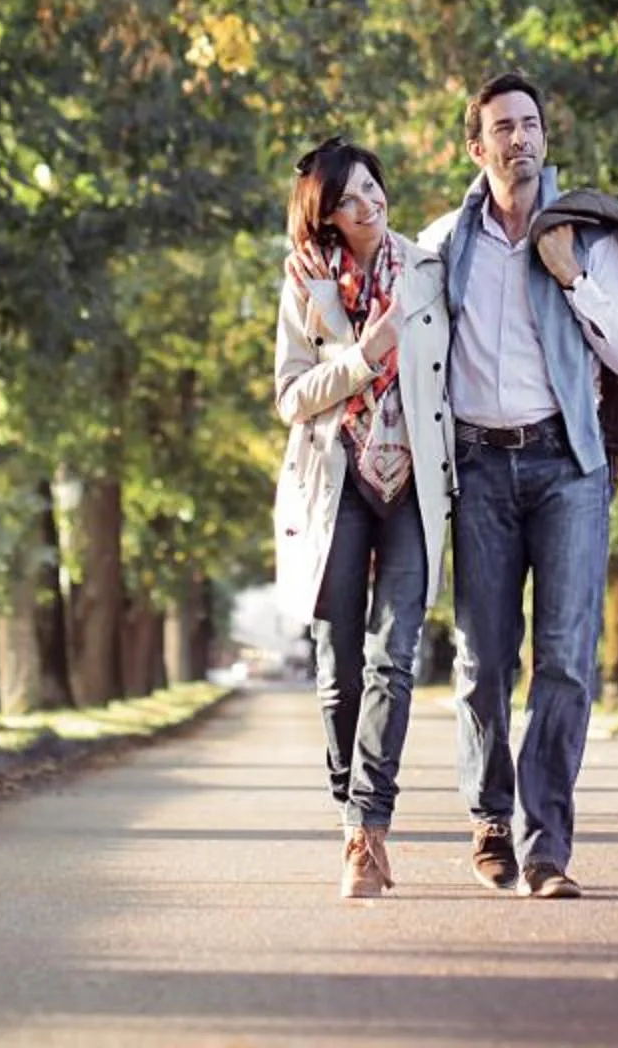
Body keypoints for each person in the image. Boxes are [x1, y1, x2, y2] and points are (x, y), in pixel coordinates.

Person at [415, 71, 618, 900]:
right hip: (478, 468)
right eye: (504, 128)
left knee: (566, 660)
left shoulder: (587, 237)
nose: (521, 138)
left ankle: (547, 846)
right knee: (483, 659)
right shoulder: (443, 243)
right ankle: (489, 819)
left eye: (531, 124)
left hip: (566, 466)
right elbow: (408, 345)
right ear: (476, 147)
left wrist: (571, 275)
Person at [272, 136, 453, 900]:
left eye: (372, 187)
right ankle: (351, 813)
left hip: (414, 480)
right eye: (347, 199)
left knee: (393, 655)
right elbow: (290, 396)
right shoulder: (305, 285)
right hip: (335, 482)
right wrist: (360, 356)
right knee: (338, 667)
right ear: (326, 218)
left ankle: (366, 828)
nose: (368, 204)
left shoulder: (429, 271)